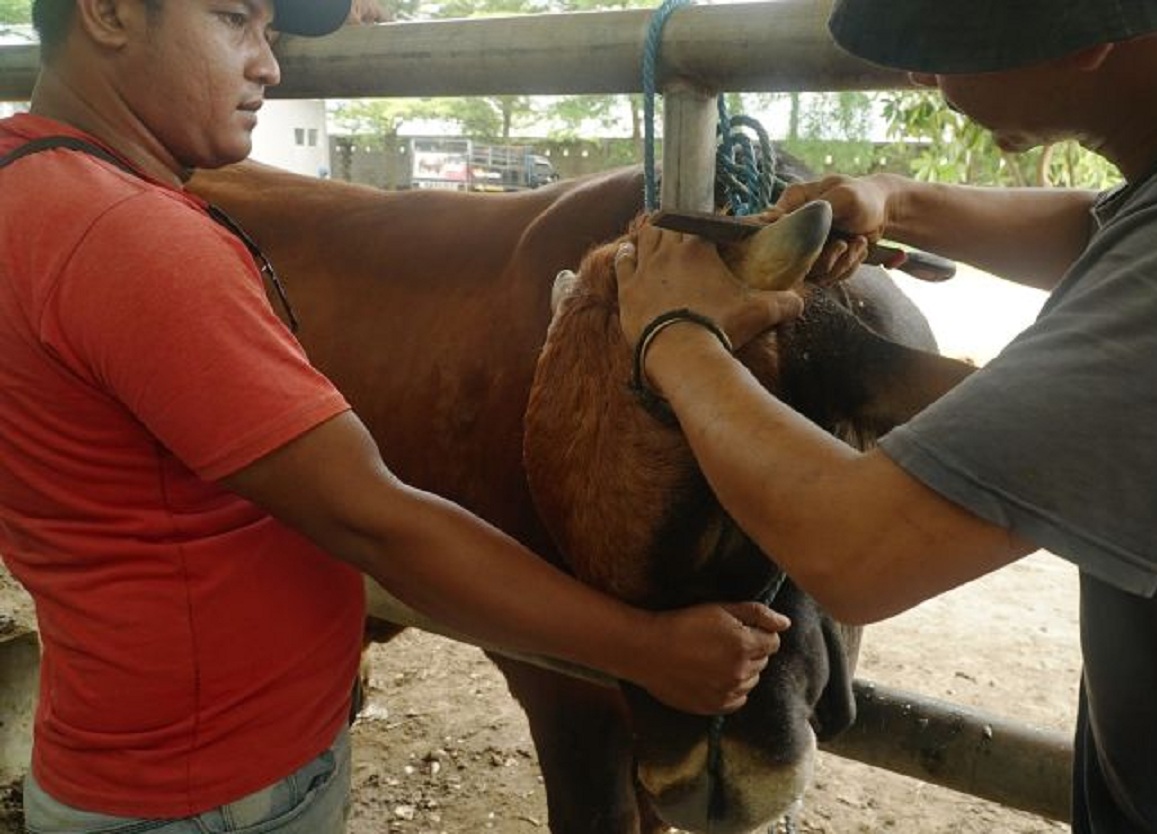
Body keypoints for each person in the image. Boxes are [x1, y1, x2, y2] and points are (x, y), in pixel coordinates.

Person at [0, 0, 790, 831]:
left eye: (270, 32)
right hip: (217, 795)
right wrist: (649, 652)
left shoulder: (26, 182)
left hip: (119, 756)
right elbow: (376, 522)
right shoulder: (130, 240)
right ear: (110, 12)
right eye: (233, 19)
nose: (268, 64)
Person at [614, 0, 1157, 831]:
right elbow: (1123, 230)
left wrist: (675, 335)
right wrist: (897, 199)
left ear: (1087, 29)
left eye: (937, 46)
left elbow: (861, 548)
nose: (918, 74)